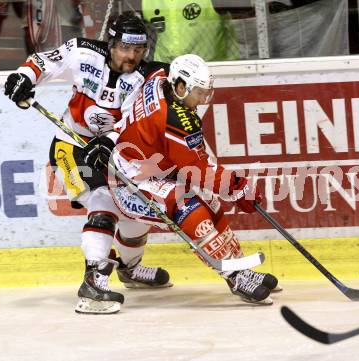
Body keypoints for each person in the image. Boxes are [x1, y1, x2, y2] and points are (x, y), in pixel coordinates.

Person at [3, 12, 172, 315]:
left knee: (135, 211)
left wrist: (109, 143)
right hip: (72, 145)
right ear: (111, 43)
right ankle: (93, 284)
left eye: (138, 50)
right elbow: (44, 62)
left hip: (114, 149)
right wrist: (23, 77)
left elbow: (134, 120)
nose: (131, 56)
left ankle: (130, 269)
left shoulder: (144, 79)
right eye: (124, 48)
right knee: (103, 201)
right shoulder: (83, 52)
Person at [106, 54, 280, 305]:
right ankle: (234, 276)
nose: (202, 99)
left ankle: (242, 268)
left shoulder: (159, 78)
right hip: (129, 181)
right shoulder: (178, 119)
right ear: (179, 87)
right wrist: (238, 188)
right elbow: (199, 170)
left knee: (211, 201)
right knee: (189, 208)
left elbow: (153, 66)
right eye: (198, 92)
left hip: (152, 167)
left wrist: (232, 187)